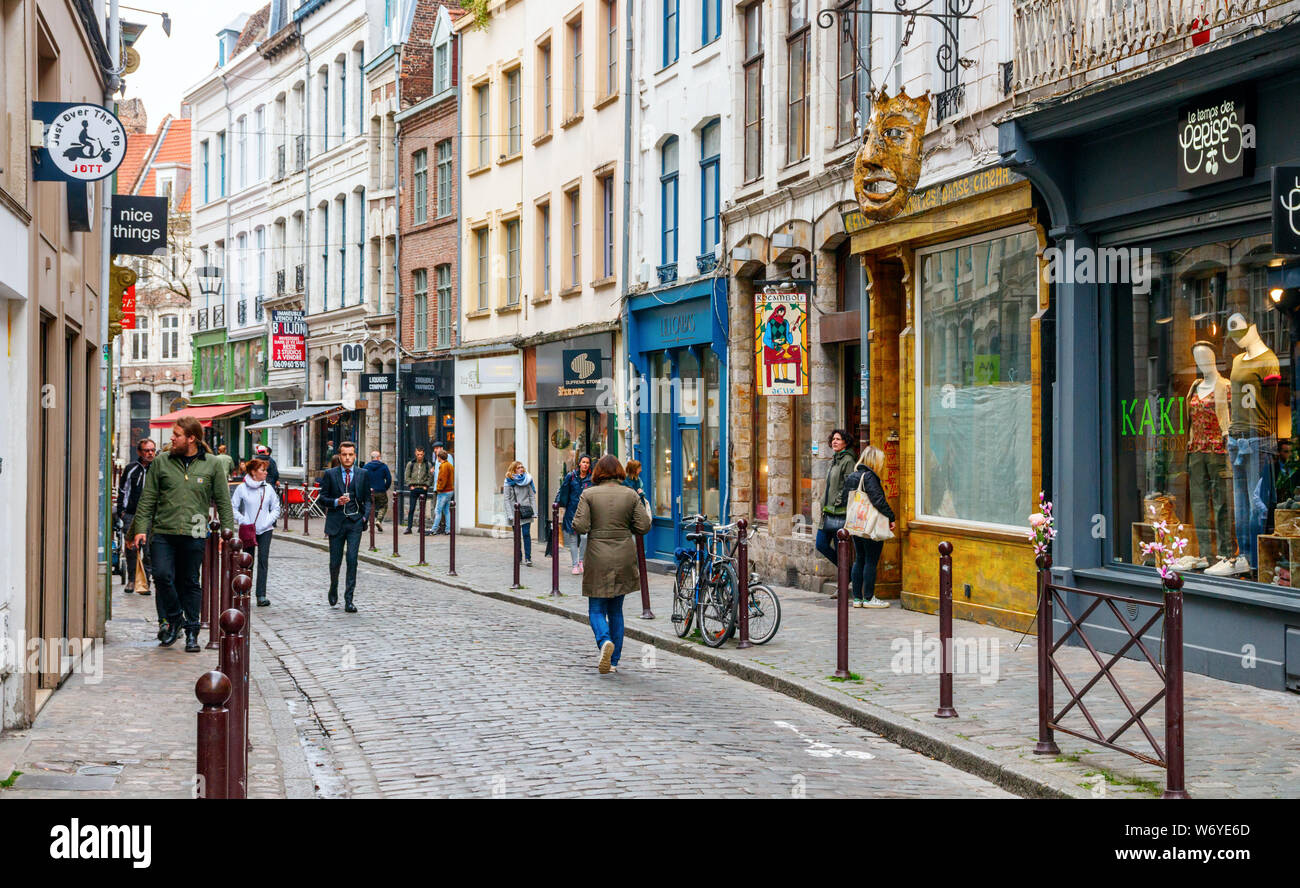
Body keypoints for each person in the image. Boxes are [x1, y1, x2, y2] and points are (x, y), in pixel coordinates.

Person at [129, 416, 236, 652]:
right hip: (163, 532)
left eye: (176, 435)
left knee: (189, 582)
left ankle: (192, 632)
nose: (172, 438)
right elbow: (148, 499)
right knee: (162, 575)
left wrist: (227, 534)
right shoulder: (161, 462)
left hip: (195, 531)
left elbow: (223, 502)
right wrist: (139, 530)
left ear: (191, 438)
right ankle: (175, 617)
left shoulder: (212, 464)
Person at [571, 455, 652, 674]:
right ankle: (614, 661)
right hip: (624, 554)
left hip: (598, 554)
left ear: (597, 472)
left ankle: (604, 641)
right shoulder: (630, 495)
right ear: (620, 472)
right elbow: (643, 526)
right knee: (616, 609)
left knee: (596, 608)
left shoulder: (588, 494)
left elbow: (580, 525)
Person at [319, 441, 371, 612]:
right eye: (344, 455)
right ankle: (333, 586)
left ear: (355, 455)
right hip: (336, 522)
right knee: (335, 561)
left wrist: (364, 518)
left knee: (352, 559)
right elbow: (322, 498)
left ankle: (349, 599)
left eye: (350, 454)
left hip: (355, 522)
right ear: (339, 456)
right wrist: (335, 501)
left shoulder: (362, 473)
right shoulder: (330, 474)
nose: (347, 458)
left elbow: (368, 499)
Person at [842, 446, 896, 608]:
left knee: (860, 558)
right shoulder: (870, 477)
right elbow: (878, 501)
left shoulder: (853, 476)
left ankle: (857, 599)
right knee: (871, 561)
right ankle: (869, 598)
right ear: (874, 461)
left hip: (856, 524)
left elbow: (846, 500)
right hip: (870, 525)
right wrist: (891, 517)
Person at [231, 458, 281, 607]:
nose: (266, 472)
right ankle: (244, 591)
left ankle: (261, 595)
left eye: (266, 470)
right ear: (253, 472)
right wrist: (243, 520)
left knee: (263, 561)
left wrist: (268, 521)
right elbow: (233, 507)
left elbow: (276, 508)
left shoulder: (268, 488)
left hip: (265, 529)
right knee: (247, 561)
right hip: (248, 529)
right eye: (262, 470)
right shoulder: (242, 488)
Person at [115, 438, 156, 596]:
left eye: (152, 450)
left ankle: (145, 580)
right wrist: (122, 512)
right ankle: (132, 579)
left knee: (150, 549)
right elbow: (123, 490)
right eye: (147, 450)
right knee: (132, 547)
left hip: (152, 515)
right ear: (140, 452)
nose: (150, 453)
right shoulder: (131, 468)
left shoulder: (158, 468)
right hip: (132, 514)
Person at [815, 429, 857, 580]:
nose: (834, 441)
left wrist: (838, 502)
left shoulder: (848, 461)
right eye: (833, 439)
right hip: (828, 511)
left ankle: (846, 580)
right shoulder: (835, 459)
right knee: (821, 544)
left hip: (839, 512)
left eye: (838, 439)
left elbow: (849, 485)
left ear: (845, 442)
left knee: (840, 550)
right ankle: (849, 575)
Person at [554, 453, 593, 574]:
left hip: (586, 512)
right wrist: (559, 504)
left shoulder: (592, 479)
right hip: (572, 511)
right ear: (579, 463)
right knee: (572, 539)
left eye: (587, 463)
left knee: (584, 537)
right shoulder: (571, 476)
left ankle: (581, 560)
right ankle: (575, 565)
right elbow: (564, 491)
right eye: (583, 462)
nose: (585, 465)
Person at [503, 461, 536, 566]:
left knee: (526, 534)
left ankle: (528, 558)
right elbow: (506, 499)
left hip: (526, 511)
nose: (521, 469)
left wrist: (534, 512)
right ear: (514, 470)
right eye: (518, 467)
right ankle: (519, 557)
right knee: (517, 536)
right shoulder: (508, 482)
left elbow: (532, 497)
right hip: (514, 513)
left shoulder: (527, 480)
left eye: (522, 467)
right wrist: (510, 514)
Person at [403, 447, 432, 533]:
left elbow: (430, 477)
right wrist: (410, 485)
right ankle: (409, 528)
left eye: (421, 454)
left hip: (423, 488)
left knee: (422, 509)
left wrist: (426, 485)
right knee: (412, 508)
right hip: (414, 488)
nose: (419, 456)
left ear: (423, 454)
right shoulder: (410, 464)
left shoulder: (427, 464)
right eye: (418, 454)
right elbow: (407, 476)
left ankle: (421, 527)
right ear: (415, 453)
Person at [429, 441, 454, 535]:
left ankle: (434, 529)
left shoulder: (445, 464)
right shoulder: (444, 463)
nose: (435, 451)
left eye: (436, 448)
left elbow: (443, 478)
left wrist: (439, 489)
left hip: (443, 490)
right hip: (448, 490)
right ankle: (448, 529)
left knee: (438, 510)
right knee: (446, 510)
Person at [364, 450, 393, 531]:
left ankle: (371, 524)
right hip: (380, 490)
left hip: (369, 491)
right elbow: (389, 479)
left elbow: (362, 479)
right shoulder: (383, 466)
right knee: (383, 505)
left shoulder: (366, 467)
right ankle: (378, 520)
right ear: (378, 457)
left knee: (369, 506)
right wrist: (385, 487)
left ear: (372, 458)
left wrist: (365, 488)